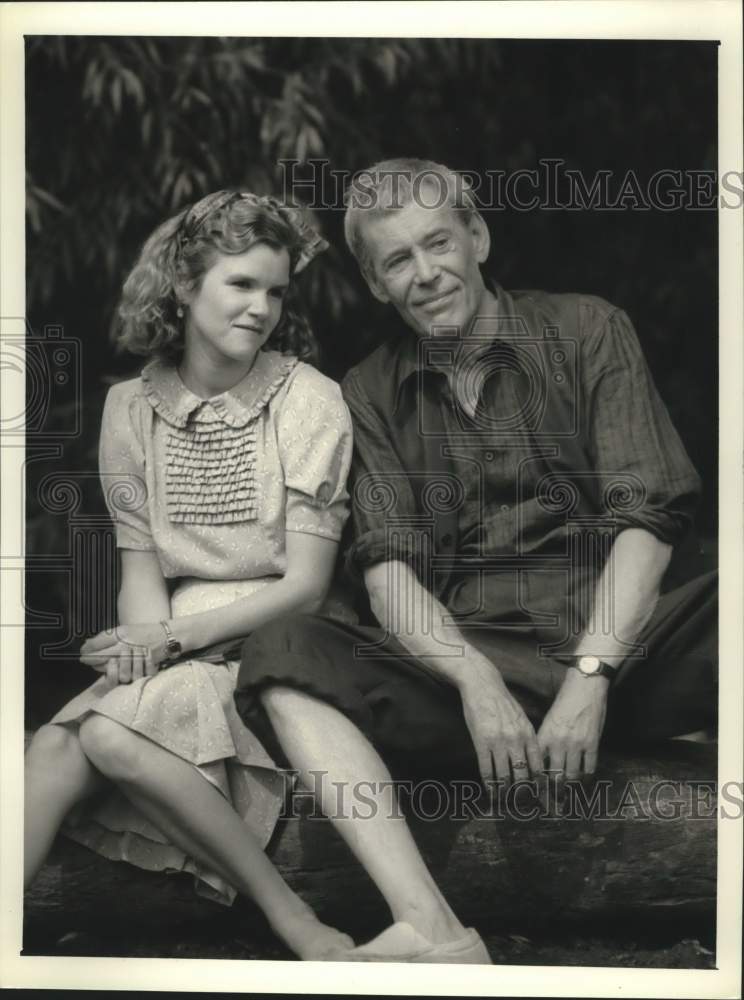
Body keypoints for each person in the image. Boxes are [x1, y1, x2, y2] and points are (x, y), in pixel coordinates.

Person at [233, 159, 717, 963]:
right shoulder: (370, 390)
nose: (425, 274)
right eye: (397, 261)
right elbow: (387, 572)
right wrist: (475, 682)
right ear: (377, 285)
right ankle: (434, 927)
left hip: (629, 645)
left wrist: (591, 675)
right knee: (284, 650)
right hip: (471, 668)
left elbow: (650, 517)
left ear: (478, 237)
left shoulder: (587, 328)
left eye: (438, 244)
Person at [24, 189, 357, 960]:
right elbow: (141, 564)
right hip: (178, 633)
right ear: (184, 284)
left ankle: (293, 918)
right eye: (241, 284)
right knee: (50, 747)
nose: (261, 308)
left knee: (106, 734)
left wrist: (171, 637)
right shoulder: (127, 409)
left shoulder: (308, 400)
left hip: (276, 639)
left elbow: (306, 586)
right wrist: (142, 640)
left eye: (275, 291)